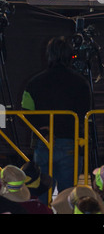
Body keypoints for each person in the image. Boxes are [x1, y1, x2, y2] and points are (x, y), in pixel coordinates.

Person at [21, 36, 92, 198]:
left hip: (43, 141)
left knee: (41, 195)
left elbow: (25, 112)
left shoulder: (33, 82)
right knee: (68, 197)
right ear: (70, 55)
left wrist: (42, 128)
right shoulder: (81, 83)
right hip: (71, 141)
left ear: (48, 54)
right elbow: (84, 112)